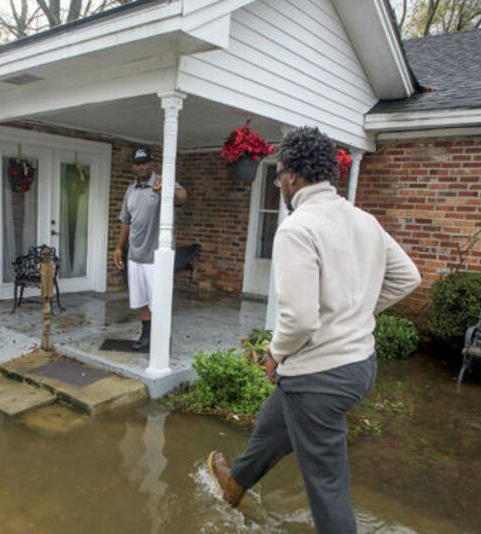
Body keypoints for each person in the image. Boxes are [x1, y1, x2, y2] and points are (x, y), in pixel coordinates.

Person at [207, 127, 421, 533]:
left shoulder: (297, 228)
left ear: (290, 176)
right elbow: (407, 277)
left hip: (320, 376)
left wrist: (274, 354)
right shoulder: (364, 220)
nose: (279, 184)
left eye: (278, 175)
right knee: (275, 422)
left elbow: (300, 319)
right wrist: (355, 313)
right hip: (358, 367)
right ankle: (236, 483)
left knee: (327, 486)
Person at [113, 147, 187, 351]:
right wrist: (119, 247)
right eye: (137, 163)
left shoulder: (162, 181)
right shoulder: (130, 190)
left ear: (151, 163)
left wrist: (167, 192)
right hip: (135, 255)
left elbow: (182, 196)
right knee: (142, 300)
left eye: (145, 162)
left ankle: (162, 339)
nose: (141, 166)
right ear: (133, 166)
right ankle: (146, 336)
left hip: (156, 258)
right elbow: (125, 221)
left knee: (159, 302)